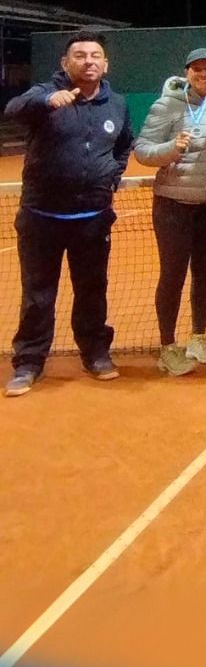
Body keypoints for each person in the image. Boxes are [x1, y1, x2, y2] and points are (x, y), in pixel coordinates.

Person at [5, 31, 131, 396]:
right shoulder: (44, 94)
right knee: (38, 295)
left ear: (105, 64)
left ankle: (95, 353)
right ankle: (29, 362)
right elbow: (13, 109)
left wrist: (111, 176)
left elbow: (124, 145)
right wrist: (47, 100)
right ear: (65, 62)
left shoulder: (117, 104)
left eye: (95, 55)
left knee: (92, 290)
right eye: (80, 55)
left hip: (92, 219)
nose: (88, 61)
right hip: (41, 217)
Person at [134, 47, 206, 376]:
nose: (203, 74)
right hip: (172, 205)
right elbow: (142, 150)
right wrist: (170, 149)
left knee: (205, 273)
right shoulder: (166, 105)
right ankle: (168, 346)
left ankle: (198, 337)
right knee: (172, 275)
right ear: (187, 72)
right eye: (197, 69)